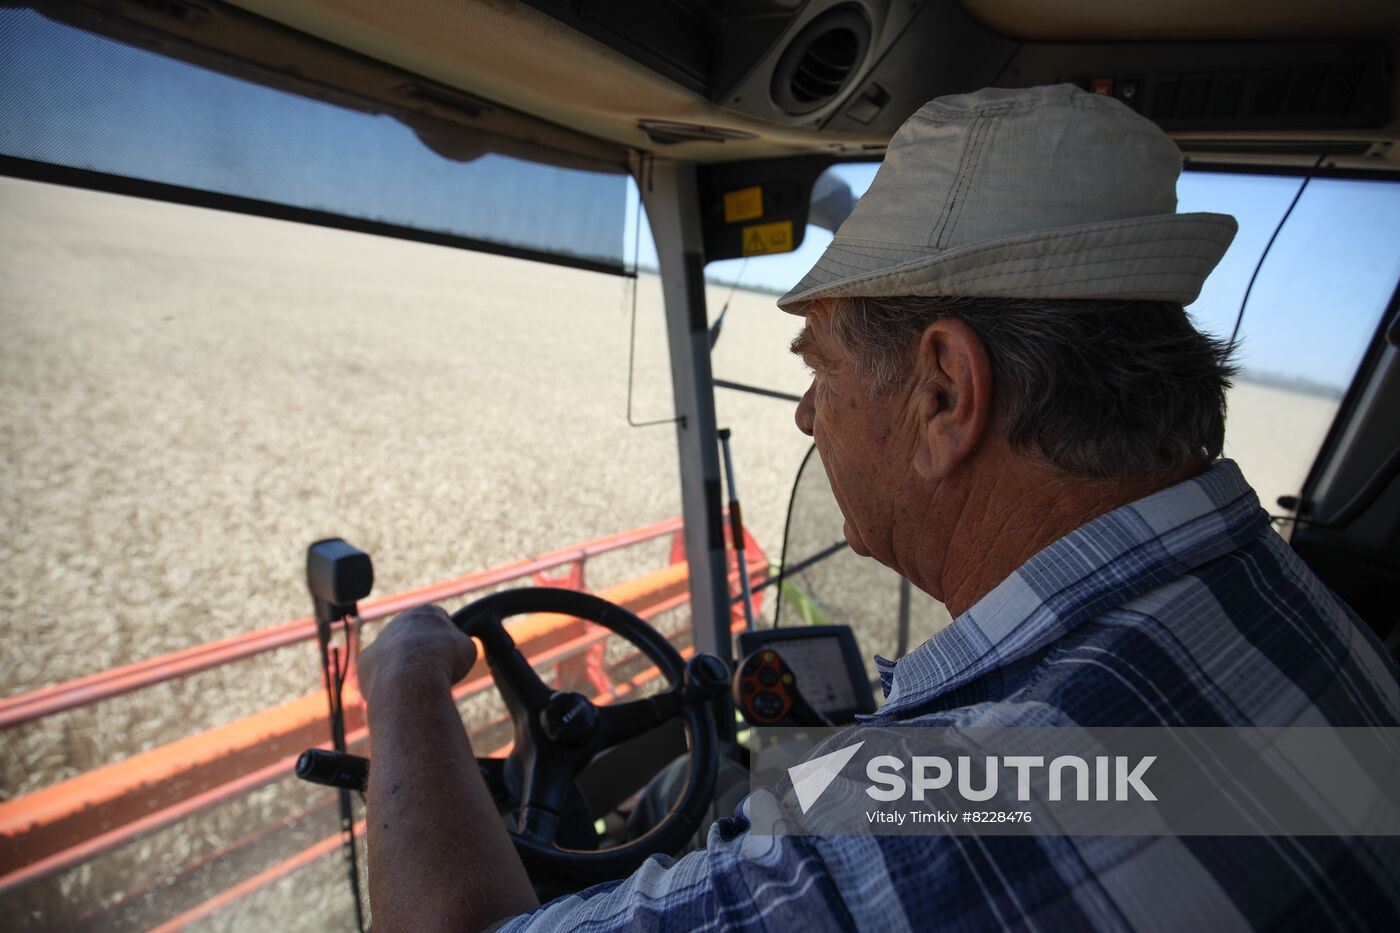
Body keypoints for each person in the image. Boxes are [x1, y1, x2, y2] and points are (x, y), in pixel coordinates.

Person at [357, 85, 1400, 932]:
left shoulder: (950, 819)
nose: (808, 413)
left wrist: (403, 680)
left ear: (943, 391)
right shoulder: (1293, 603)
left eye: (820, 362)